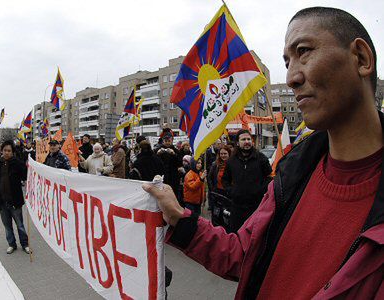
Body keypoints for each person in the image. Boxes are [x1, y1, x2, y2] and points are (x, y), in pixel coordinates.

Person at [143, 7, 384, 299]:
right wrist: (180, 219)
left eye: (304, 51)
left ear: (361, 58)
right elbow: (242, 255)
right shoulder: (294, 172)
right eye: (287, 61)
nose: (292, 77)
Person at [222, 129, 272, 232]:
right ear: (237, 143)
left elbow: (270, 177)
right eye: (243, 139)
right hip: (237, 207)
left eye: (249, 139)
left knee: (255, 235)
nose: (247, 141)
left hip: (256, 206)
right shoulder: (231, 161)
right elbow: (225, 180)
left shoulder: (261, 158)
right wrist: (232, 191)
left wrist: (260, 190)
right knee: (237, 234)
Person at [0, 140, 30, 254]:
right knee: (7, 226)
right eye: (5, 150)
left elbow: (26, 175)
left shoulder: (17, 163)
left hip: (15, 201)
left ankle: (25, 244)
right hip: (2, 202)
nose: (7, 153)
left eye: (9, 151)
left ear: (12, 152)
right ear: (1, 151)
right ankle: (12, 244)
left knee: (20, 225)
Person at [208, 145, 232, 210]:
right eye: (221, 154)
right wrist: (212, 190)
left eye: (225, 154)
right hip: (217, 192)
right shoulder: (215, 164)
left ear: (229, 154)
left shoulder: (233, 165)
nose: (223, 155)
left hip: (228, 193)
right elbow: (210, 178)